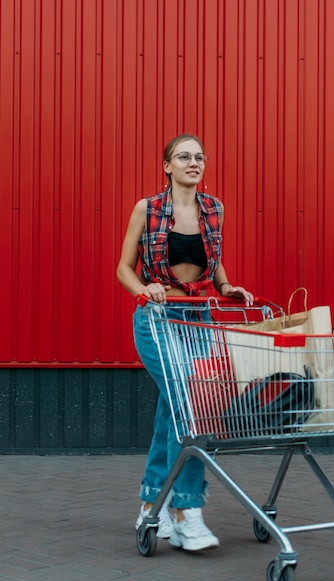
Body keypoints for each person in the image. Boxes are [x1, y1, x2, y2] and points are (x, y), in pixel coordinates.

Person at [116, 133, 253, 551]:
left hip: (199, 319)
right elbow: (123, 268)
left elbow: (212, 258)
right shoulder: (148, 208)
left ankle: (149, 504)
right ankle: (185, 510)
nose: (193, 163)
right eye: (183, 157)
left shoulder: (215, 209)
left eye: (199, 157)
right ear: (167, 166)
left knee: (175, 409)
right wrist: (145, 290)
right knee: (194, 402)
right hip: (157, 321)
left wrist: (227, 285)